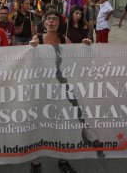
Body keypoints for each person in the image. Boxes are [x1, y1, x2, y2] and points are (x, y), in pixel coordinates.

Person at [29, 11, 87, 173]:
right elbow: (28, 59)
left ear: (60, 24)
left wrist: (86, 46)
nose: (52, 22)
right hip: (40, 90)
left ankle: (63, 160)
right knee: (38, 125)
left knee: (62, 124)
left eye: (55, 19)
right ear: (44, 23)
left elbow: (77, 58)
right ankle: (35, 163)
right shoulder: (37, 39)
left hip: (60, 90)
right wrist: (31, 48)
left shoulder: (64, 40)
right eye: (49, 19)